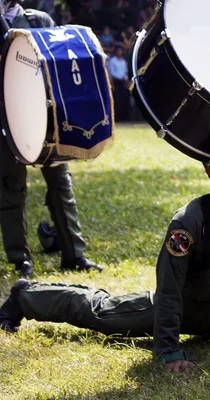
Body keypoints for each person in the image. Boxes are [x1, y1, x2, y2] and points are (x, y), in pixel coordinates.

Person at [0, 163, 210, 371]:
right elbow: (169, 288)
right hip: (178, 309)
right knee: (102, 312)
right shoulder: (191, 219)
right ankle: (24, 296)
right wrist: (169, 349)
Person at [0, 0, 102, 277]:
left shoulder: (38, 21)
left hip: (44, 120)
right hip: (6, 119)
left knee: (61, 184)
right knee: (11, 188)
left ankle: (75, 254)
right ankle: (19, 258)